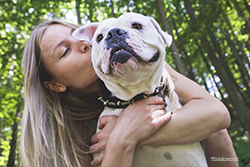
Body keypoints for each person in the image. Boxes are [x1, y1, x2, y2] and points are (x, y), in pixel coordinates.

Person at [19, 19, 238, 167]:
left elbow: (217, 115)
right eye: (65, 51)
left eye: (78, 36)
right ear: (56, 85)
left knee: (213, 129)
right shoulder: (65, 139)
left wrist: (133, 132)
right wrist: (120, 142)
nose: (83, 44)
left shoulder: (145, 65)